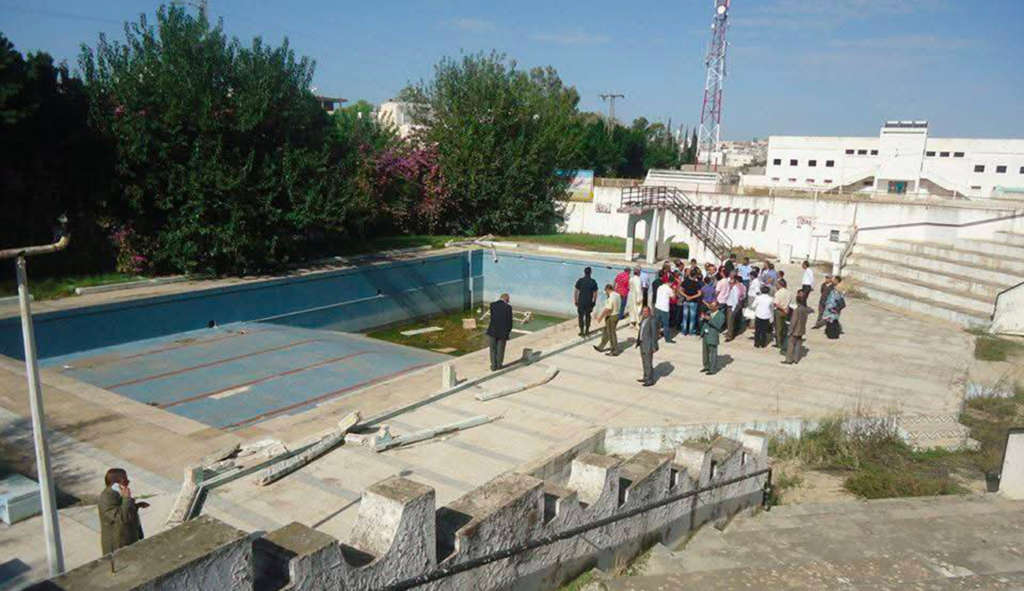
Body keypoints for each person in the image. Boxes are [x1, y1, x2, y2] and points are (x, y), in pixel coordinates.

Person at [99, 468, 148, 555]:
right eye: (125, 480)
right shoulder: (107, 497)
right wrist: (127, 499)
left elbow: (123, 510)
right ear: (117, 482)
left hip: (129, 538)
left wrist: (136, 506)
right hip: (119, 545)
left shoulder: (118, 492)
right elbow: (121, 518)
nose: (128, 482)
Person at [783, 290, 814, 364]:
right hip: (801, 329)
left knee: (791, 345)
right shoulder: (805, 309)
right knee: (798, 345)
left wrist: (790, 331)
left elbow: (793, 322)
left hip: (795, 330)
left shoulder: (796, 310)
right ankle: (796, 359)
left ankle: (789, 360)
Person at [486, 293, 513, 370]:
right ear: (506, 299)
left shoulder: (492, 305)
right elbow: (509, 322)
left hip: (492, 330)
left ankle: (493, 366)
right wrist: (508, 331)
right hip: (503, 332)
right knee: (500, 349)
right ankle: (499, 365)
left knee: (492, 349)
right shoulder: (508, 308)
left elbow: (492, 317)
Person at [594, 284, 622, 355]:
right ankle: (601, 346)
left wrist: (600, 317)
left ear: (607, 289)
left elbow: (608, 309)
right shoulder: (617, 295)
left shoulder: (611, 297)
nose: (606, 293)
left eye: (606, 291)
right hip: (616, 314)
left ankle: (614, 350)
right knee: (606, 331)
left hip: (611, 316)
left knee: (611, 334)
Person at [700, 301, 726, 375]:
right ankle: (706, 366)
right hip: (705, 334)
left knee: (713, 353)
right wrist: (702, 319)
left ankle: (712, 369)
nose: (711, 307)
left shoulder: (721, 315)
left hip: (713, 335)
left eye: (713, 306)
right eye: (711, 305)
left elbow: (718, 325)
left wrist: (709, 319)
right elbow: (703, 322)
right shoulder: (708, 312)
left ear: (717, 307)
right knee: (705, 352)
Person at [636, 305, 659, 387]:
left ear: (649, 312)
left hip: (648, 345)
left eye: (646, 311)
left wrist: (654, 346)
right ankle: (645, 377)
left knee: (648, 362)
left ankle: (650, 380)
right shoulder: (643, 319)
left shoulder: (652, 320)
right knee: (644, 361)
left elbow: (654, 335)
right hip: (642, 343)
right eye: (643, 311)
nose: (644, 313)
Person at [573, 267, 598, 336]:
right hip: (589, 302)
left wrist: (575, 300)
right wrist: (594, 302)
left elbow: (576, 291)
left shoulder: (580, 280)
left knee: (580, 317)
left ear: (584, 272)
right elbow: (595, 293)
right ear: (590, 273)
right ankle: (587, 330)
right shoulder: (593, 281)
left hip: (581, 301)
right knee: (588, 316)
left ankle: (581, 331)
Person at [773, 278, 793, 349]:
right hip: (787, 311)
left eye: (777, 285)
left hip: (779, 311)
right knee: (784, 327)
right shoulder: (789, 292)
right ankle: (783, 340)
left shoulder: (778, 293)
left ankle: (779, 343)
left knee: (778, 328)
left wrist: (783, 309)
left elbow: (776, 304)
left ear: (780, 285)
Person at [680, 269, 701, 336]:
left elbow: (680, 290)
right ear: (695, 276)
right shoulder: (696, 283)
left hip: (686, 301)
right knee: (692, 318)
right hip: (693, 301)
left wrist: (686, 296)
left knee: (685, 317)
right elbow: (699, 294)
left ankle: (684, 331)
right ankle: (691, 331)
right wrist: (691, 297)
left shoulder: (685, 282)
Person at [654, 276, 674, 343]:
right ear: (671, 283)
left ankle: (655, 337)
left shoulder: (660, 287)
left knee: (657, 323)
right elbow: (673, 297)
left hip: (657, 306)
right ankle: (667, 339)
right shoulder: (669, 289)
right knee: (666, 324)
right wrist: (674, 290)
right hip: (665, 308)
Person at [724, 274, 742, 341]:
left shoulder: (735, 289)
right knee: (731, 322)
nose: (729, 284)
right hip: (731, 306)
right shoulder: (734, 288)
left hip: (732, 307)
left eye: (730, 283)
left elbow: (735, 300)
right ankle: (730, 333)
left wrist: (733, 309)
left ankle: (729, 336)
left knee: (730, 322)